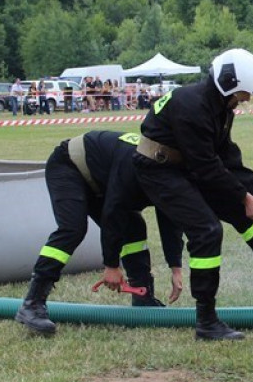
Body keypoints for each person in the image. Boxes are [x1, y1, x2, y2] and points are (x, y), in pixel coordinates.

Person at [132, 47, 253, 341]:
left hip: (186, 166)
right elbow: (205, 166)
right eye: (244, 93)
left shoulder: (220, 108)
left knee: (245, 214)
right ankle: (206, 320)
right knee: (207, 230)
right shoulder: (192, 107)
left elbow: (228, 157)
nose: (246, 99)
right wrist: (244, 197)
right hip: (158, 170)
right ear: (228, 84)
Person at [16, 131, 185, 335]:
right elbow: (113, 213)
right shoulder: (136, 165)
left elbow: (170, 217)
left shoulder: (172, 170)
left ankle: (143, 298)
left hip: (101, 178)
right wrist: (111, 266)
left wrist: (175, 267)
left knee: (134, 227)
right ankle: (32, 303)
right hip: (69, 165)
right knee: (73, 229)